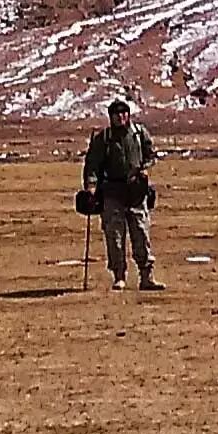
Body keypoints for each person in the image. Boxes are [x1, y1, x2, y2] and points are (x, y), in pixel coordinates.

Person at [80, 97, 159, 290]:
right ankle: (119, 276)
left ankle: (146, 276)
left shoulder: (139, 134)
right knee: (115, 237)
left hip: (136, 192)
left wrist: (145, 169)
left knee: (141, 234)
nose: (121, 117)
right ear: (111, 117)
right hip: (112, 193)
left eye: (124, 113)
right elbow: (92, 165)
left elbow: (150, 155)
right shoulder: (103, 139)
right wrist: (91, 187)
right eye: (117, 114)